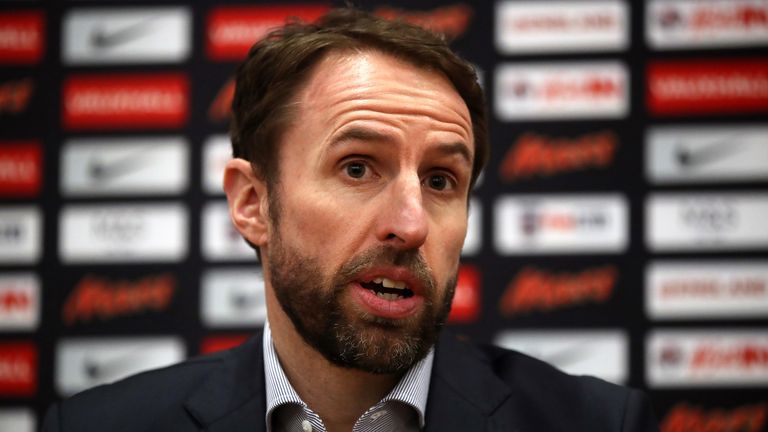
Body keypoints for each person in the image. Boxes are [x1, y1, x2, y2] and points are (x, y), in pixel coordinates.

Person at [42, 8, 658, 432]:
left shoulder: (597, 422)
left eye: (441, 180)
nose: (411, 224)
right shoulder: (101, 425)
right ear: (252, 203)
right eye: (358, 168)